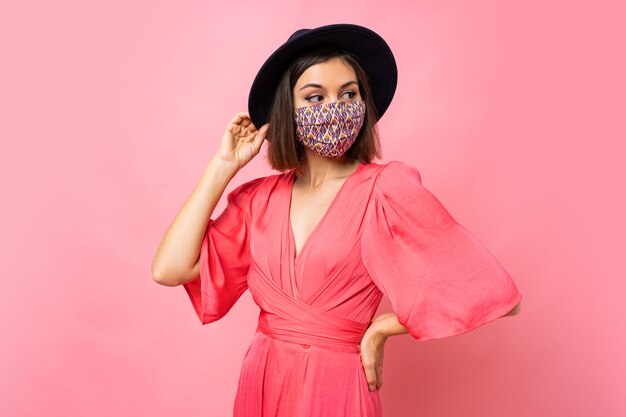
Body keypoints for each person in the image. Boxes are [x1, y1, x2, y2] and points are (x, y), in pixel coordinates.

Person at [151, 23, 522, 417]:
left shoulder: (385, 190)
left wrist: (382, 328)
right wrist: (222, 167)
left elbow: (497, 297)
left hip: (338, 388)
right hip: (262, 381)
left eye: (349, 94)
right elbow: (169, 269)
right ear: (287, 112)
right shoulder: (258, 200)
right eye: (315, 97)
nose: (335, 106)